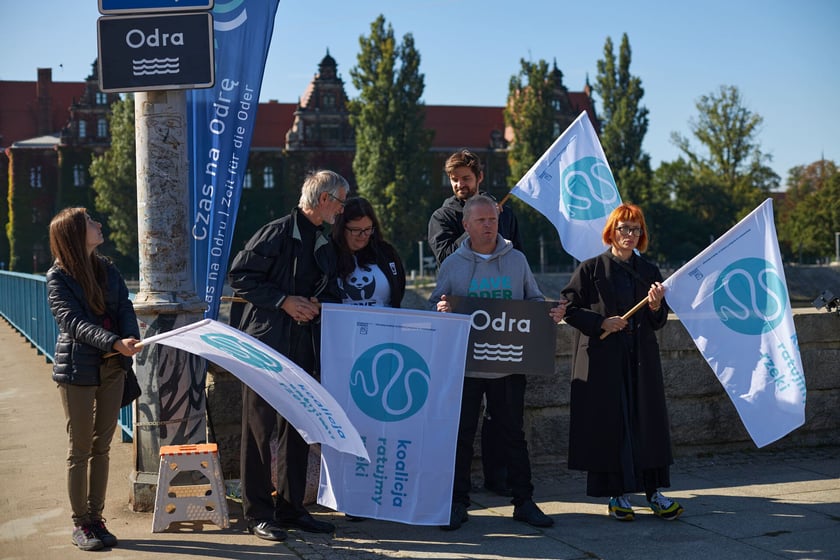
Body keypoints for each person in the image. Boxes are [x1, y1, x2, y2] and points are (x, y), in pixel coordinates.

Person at [430, 194, 565, 531]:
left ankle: (524, 501)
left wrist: (551, 312)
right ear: (466, 225)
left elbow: (533, 300)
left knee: (513, 435)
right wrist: (440, 310)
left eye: (492, 219)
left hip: (508, 364)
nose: (489, 225)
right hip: (465, 366)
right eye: (481, 221)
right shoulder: (452, 265)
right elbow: (435, 306)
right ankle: (456, 503)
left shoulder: (517, 260)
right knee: (461, 435)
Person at [229, 169, 348, 541]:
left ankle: (293, 508)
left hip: (303, 348)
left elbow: (332, 291)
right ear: (324, 199)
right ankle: (258, 513)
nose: (342, 211)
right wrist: (284, 302)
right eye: (340, 202)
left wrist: (316, 303)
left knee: (301, 428)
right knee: (259, 432)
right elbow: (241, 275)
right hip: (266, 349)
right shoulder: (277, 231)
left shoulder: (324, 241)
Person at [557, 202, 683, 521]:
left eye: (635, 228)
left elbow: (659, 321)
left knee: (648, 425)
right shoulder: (590, 269)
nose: (629, 234)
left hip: (640, 360)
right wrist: (602, 323)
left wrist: (655, 307)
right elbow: (567, 309)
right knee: (612, 427)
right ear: (611, 231)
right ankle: (617, 495)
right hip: (605, 364)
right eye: (624, 228)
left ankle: (654, 492)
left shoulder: (649, 272)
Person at [427, 148, 523, 495]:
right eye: (454, 180)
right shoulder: (442, 216)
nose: (459, 185)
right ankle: (457, 491)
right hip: (462, 326)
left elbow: (517, 258)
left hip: (502, 326)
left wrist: (495, 221)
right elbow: (446, 258)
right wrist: (481, 224)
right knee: (462, 418)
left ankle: (500, 479)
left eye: (465, 179)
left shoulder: (505, 214)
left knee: (504, 417)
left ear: (479, 177)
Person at [46, 208, 141, 551]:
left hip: (113, 367)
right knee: (80, 449)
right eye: (90, 222)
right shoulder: (58, 277)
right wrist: (114, 342)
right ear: (73, 233)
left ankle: (97, 519)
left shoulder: (108, 269)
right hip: (78, 370)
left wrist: (129, 336)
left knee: (103, 448)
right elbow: (73, 324)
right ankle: (80, 523)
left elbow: (124, 308)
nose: (99, 225)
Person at [332, 197, 406, 308]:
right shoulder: (326, 253)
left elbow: (398, 288)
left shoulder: (386, 252)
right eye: (356, 230)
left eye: (367, 229)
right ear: (341, 228)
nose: (363, 236)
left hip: (383, 323)